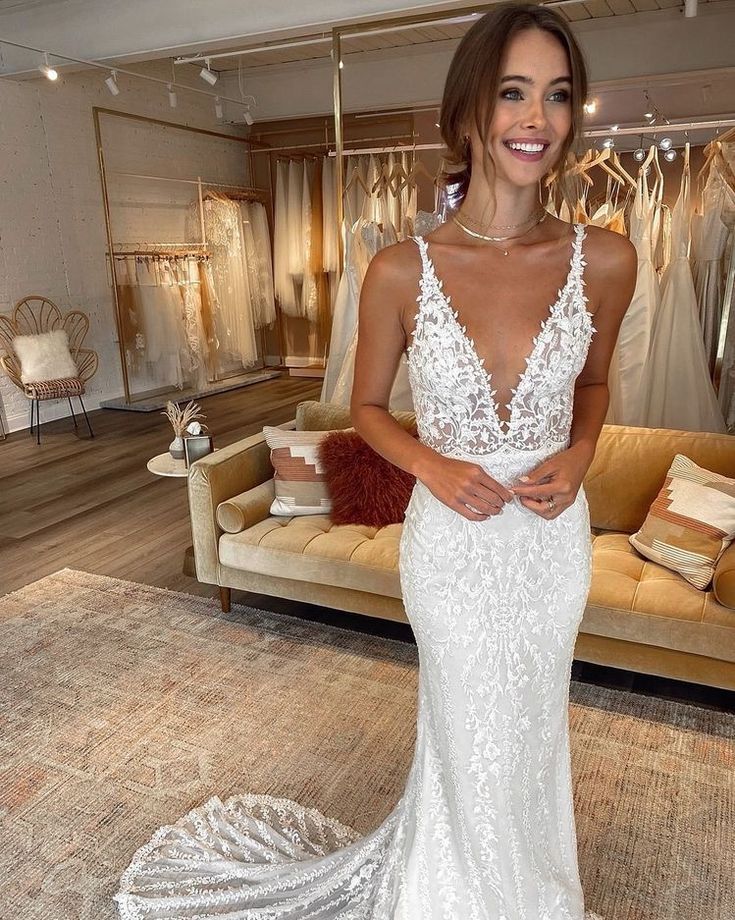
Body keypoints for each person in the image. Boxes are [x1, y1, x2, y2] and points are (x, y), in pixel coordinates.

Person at [114, 5, 636, 919]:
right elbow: (363, 411)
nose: (535, 119)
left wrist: (582, 451)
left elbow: (590, 387)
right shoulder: (399, 268)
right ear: (468, 110)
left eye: (556, 97)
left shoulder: (607, 259)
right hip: (451, 540)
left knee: (529, 728)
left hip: (551, 542)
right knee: (465, 725)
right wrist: (431, 468)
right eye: (512, 91)